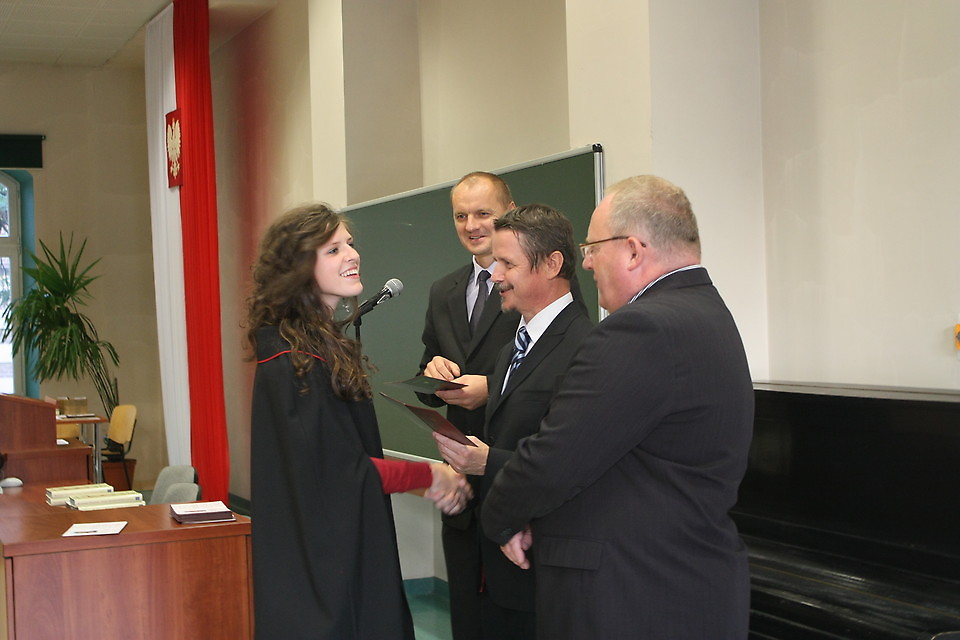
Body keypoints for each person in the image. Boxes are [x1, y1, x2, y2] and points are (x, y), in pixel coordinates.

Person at [481, 176, 755, 639]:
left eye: (593, 248)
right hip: (683, 585)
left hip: (632, 597)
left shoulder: (641, 330)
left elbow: (555, 457)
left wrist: (500, 517)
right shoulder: (707, 313)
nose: (586, 262)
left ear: (632, 250)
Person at [247, 204, 472, 640]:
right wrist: (426, 476)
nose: (352, 255)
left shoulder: (311, 348)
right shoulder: (294, 361)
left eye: (349, 243)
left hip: (332, 554)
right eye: (333, 249)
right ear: (298, 267)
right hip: (324, 571)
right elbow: (339, 472)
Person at [432, 204, 593, 639]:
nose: (495, 276)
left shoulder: (586, 347)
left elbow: (571, 459)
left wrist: (488, 461)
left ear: (552, 264)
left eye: (507, 264)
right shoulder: (511, 350)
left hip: (543, 565)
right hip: (498, 563)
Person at [417, 171, 521, 640]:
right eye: (461, 216)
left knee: (511, 619)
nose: (472, 225)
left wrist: (491, 388)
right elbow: (425, 378)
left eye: (483, 214)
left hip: (511, 475)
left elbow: (555, 368)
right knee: (465, 615)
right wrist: (432, 373)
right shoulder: (443, 290)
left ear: (509, 213)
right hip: (458, 478)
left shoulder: (533, 281)